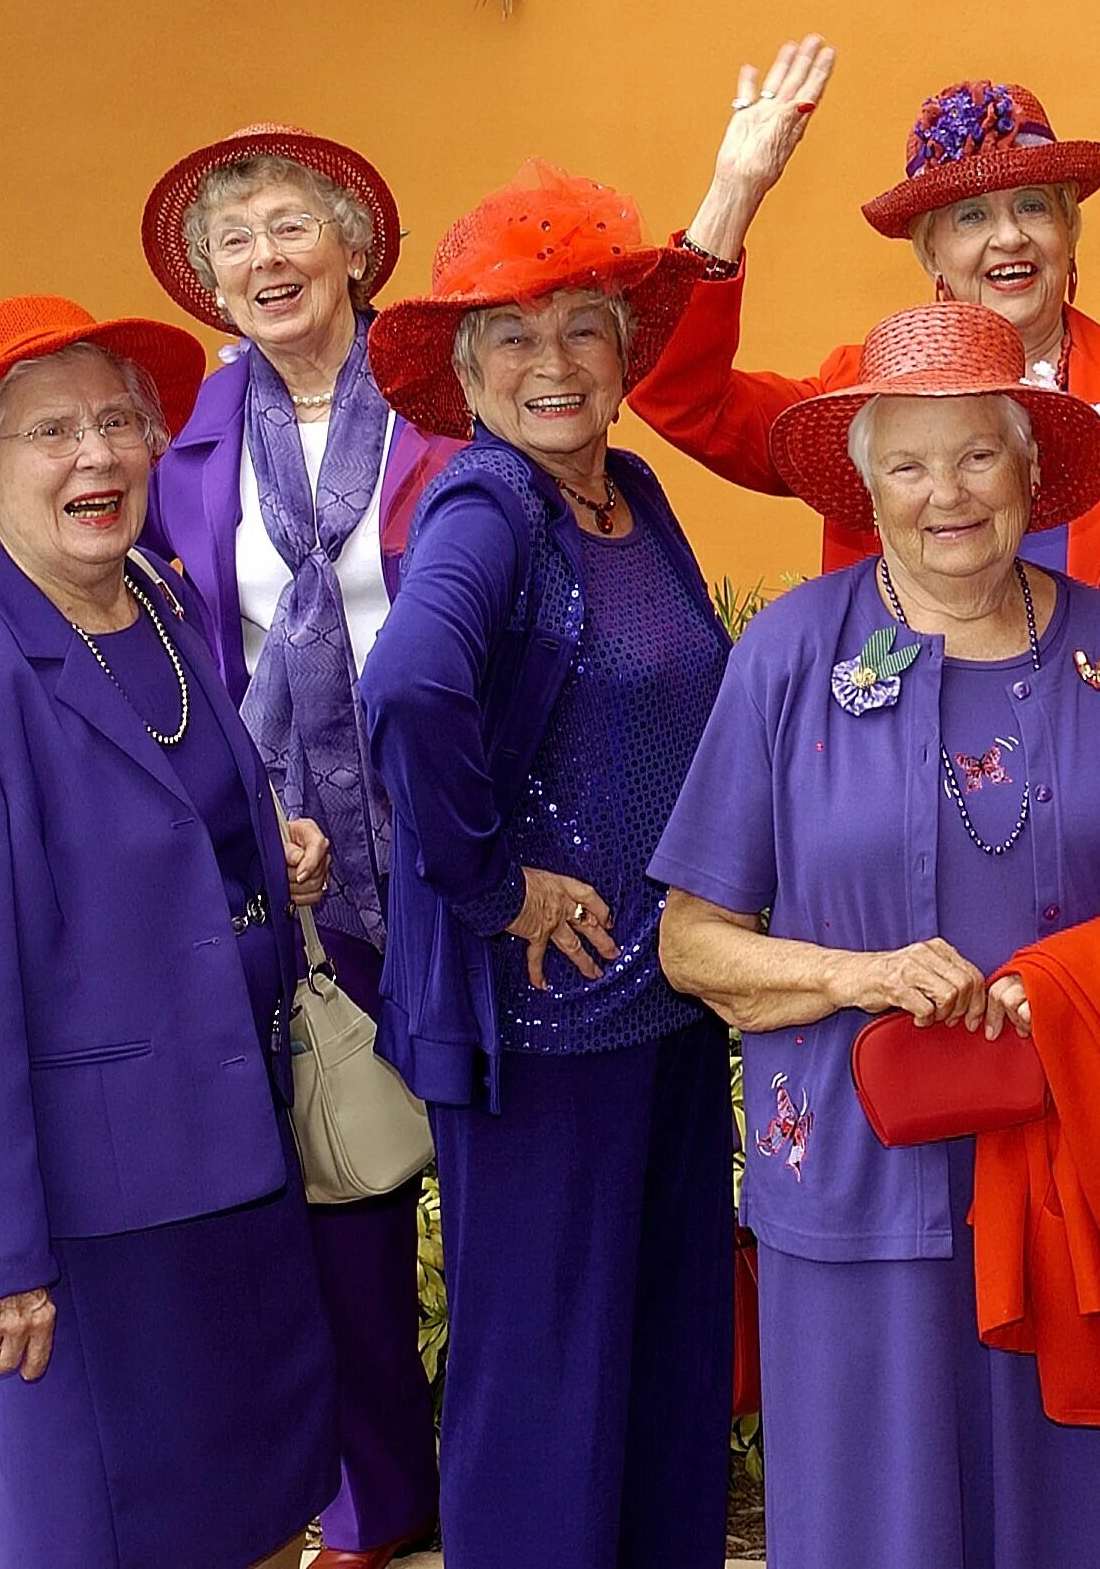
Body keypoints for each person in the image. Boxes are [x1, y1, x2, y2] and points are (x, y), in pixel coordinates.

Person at [653, 300, 1100, 1569]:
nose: (944, 493)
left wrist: (1093, 988)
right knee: (877, 1527)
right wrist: (865, 976)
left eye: (977, 456)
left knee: (1091, 1521)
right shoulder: (791, 652)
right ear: (867, 485)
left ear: (1032, 469)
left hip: (1085, 1183)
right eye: (906, 462)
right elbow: (694, 943)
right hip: (856, 1188)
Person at [0, 296, 340, 1567]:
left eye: (119, 420)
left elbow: (184, 800)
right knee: (118, 1530)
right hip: (97, 1229)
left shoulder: (156, 598)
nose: (98, 456)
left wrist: (266, 845)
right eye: (50, 434)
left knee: (258, 1500)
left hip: (238, 1154)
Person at [356, 162, 734, 1568]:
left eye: (583, 326)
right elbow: (408, 688)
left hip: (674, 1008)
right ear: (465, 371)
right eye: (511, 334)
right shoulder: (487, 505)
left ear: (626, 357)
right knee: (543, 1390)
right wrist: (496, 884)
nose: (553, 362)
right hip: (551, 1027)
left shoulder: (628, 489)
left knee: (664, 1363)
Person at [140, 121, 455, 1569]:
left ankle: (522, 1483)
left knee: (505, 1188)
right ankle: (375, 1503)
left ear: (353, 250)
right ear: (212, 283)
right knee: (344, 1196)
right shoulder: (186, 444)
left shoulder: (452, 399)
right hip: (302, 870)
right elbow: (187, 659)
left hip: (462, 850)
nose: (263, 261)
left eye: (287, 229)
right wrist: (257, 824)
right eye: (234, 245)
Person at [633, 36, 1100, 642]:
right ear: (932, 256)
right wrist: (733, 192)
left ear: (1067, 234)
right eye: (972, 216)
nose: (1009, 238)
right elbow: (682, 398)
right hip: (918, 750)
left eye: (1032, 206)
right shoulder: (861, 389)